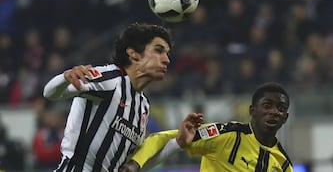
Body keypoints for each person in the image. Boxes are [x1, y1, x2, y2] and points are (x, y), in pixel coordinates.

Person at [43, 23, 204, 171]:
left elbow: (133, 164)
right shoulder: (110, 80)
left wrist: (178, 143)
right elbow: (50, 93)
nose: (166, 60)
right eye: (158, 50)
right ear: (133, 54)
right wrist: (65, 77)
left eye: (167, 53)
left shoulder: (143, 106)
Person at [119, 82, 293, 172]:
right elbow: (162, 137)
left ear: (285, 117)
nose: (274, 112)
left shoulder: (283, 163)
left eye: (281, 109)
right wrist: (136, 163)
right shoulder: (226, 135)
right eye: (267, 105)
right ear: (252, 110)